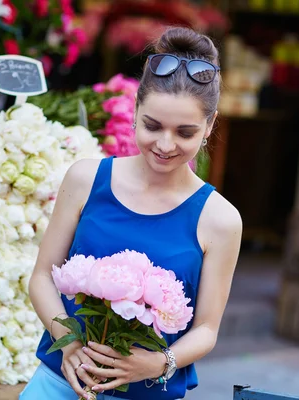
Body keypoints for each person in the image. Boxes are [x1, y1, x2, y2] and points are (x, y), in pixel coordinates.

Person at [23, 26, 242, 400]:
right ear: (135, 111)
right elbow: (42, 276)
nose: (165, 144)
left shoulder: (220, 220)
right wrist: (70, 346)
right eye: (152, 126)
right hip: (59, 385)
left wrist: (161, 362)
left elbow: (206, 328)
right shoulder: (86, 178)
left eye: (185, 132)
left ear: (210, 125)